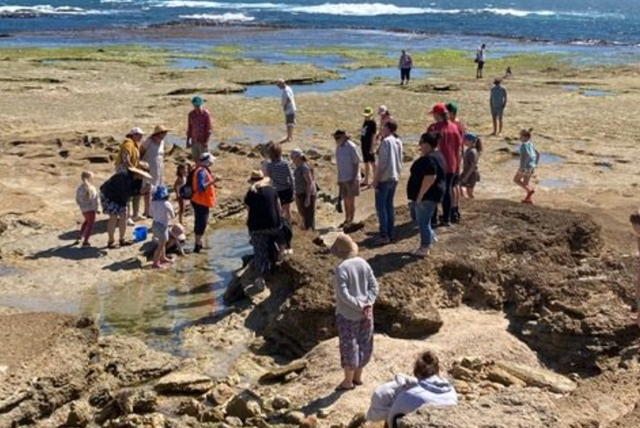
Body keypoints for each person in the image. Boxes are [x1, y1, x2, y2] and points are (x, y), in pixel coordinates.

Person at [330, 233, 378, 391]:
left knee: (349, 346)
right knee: (365, 343)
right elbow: (374, 286)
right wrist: (368, 303)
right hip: (367, 313)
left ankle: (348, 381)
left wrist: (359, 305)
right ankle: (358, 378)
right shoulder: (363, 263)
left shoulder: (341, 269)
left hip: (347, 315)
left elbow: (343, 296)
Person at [369, 350, 458, 428]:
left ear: (416, 372)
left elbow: (392, 418)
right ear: (438, 370)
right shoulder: (451, 391)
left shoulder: (409, 395)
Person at [406, 133, 446, 257]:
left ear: (427, 144)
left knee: (422, 221)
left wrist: (420, 196)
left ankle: (424, 247)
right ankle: (430, 236)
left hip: (427, 196)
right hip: (434, 194)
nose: (419, 145)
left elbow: (430, 177)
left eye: (421, 142)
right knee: (425, 219)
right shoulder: (437, 155)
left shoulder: (429, 159)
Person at [244, 170, 282, 296]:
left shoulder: (250, 193)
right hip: (274, 225)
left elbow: (249, 212)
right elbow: (279, 209)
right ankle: (281, 253)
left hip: (257, 227)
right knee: (277, 236)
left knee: (259, 252)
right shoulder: (272, 190)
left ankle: (261, 279)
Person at [427, 103, 462, 226]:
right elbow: (458, 148)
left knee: (434, 191)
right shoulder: (454, 127)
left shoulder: (433, 128)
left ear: (437, 115)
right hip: (451, 164)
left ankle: (433, 219)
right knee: (447, 190)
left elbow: (428, 147)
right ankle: (447, 218)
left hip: (437, 163)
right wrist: (458, 164)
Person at [100, 165, 152, 249]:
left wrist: (142, 191)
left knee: (124, 216)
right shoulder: (124, 176)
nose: (142, 176)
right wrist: (141, 191)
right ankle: (111, 241)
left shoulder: (138, 179)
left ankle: (122, 239)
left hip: (121, 197)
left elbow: (133, 192)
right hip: (109, 195)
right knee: (113, 217)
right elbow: (128, 192)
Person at [372, 120, 403, 244]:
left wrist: (375, 180)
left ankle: (384, 235)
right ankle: (390, 233)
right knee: (389, 206)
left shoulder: (386, 142)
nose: (381, 129)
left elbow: (382, 164)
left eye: (383, 127)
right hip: (394, 177)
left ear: (387, 128)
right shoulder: (398, 141)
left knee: (381, 207)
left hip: (385, 178)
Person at [114, 127, 145, 223]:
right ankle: (126, 217)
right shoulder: (127, 144)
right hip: (125, 173)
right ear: (133, 135)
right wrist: (134, 169)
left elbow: (135, 159)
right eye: (139, 135)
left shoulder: (135, 145)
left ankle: (135, 214)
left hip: (133, 172)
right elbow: (125, 160)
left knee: (136, 193)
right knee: (126, 195)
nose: (141, 137)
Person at [191, 152, 217, 253]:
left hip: (199, 200)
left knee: (200, 222)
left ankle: (199, 243)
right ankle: (197, 245)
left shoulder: (202, 170)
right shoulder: (201, 171)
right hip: (200, 201)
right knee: (201, 223)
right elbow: (201, 188)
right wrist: (213, 182)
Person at [334, 130, 361, 227]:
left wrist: (354, 179)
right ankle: (347, 218)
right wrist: (339, 178)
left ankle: (351, 220)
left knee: (351, 200)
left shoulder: (351, 147)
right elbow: (339, 164)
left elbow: (356, 163)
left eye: (338, 138)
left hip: (351, 178)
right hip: (343, 178)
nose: (336, 140)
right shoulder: (338, 147)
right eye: (335, 138)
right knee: (345, 200)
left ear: (344, 137)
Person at [141, 125, 168, 217]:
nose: (164, 135)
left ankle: (153, 209)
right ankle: (147, 210)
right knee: (148, 188)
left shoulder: (162, 142)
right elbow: (141, 152)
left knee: (157, 188)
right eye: (163, 133)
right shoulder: (149, 141)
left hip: (159, 167)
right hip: (149, 166)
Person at [445, 102, 465, 223]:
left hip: (453, 157)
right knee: (455, 184)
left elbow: (458, 145)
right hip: (457, 157)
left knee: (452, 185)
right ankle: (455, 209)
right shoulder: (459, 124)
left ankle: (453, 210)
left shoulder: (454, 125)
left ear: (451, 113)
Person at [265, 142, 294, 220]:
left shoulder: (269, 165)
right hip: (287, 189)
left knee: (278, 210)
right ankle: (289, 226)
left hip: (276, 190)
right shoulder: (285, 164)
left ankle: (280, 226)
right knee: (287, 210)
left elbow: (267, 178)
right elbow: (291, 177)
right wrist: (293, 189)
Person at [291, 149, 317, 231]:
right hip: (300, 194)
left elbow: (309, 183)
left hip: (306, 194)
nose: (292, 160)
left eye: (293, 158)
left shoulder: (304, 167)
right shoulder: (299, 167)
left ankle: (311, 235)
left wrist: (308, 198)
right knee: (303, 216)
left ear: (298, 157)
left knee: (308, 217)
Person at [150, 185, 175, 269]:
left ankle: (163, 258)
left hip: (155, 224)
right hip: (162, 226)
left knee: (162, 242)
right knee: (160, 246)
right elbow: (172, 215)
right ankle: (155, 263)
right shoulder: (166, 203)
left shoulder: (153, 203)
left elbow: (150, 213)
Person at [514, 129, 539, 204]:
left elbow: (527, 155)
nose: (520, 137)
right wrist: (535, 164)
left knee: (516, 180)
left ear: (526, 137)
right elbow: (538, 154)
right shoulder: (531, 144)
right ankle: (528, 199)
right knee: (526, 183)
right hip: (532, 166)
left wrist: (522, 167)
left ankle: (530, 190)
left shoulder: (523, 145)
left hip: (525, 166)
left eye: (521, 136)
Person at [75, 170, 99, 248]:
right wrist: (96, 208)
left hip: (83, 209)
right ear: (90, 178)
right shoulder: (92, 188)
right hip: (91, 209)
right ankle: (86, 242)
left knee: (86, 221)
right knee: (90, 225)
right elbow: (95, 200)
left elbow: (77, 199)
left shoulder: (79, 188)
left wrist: (81, 205)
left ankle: (80, 235)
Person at [186, 96, 213, 164]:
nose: (197, 107)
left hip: (202, 141)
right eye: (195, 105)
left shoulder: (206, 114)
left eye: (198, 105)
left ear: (201, 104)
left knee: (204, 161)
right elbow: (190, 128)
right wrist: (188, 140)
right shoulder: (191, 114)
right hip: (194, 140)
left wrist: (206, 142)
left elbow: (209, 130)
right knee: (196, 160)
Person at [460, 133, 483, 199]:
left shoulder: (472, 152)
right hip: (466, 172)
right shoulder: (468, 150)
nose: (463, 141)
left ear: (470, 141)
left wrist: (466, 177)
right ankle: (464, 199)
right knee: (459, 185)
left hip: (471, 174)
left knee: (469, 192)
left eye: (464, 140)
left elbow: (473, 166)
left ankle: (473, 203)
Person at [361, 107, 377, 186]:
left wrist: (372, 147)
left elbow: (373, 135)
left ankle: (375, 179)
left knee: (373, 163)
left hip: (369, 145)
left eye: (368, 116)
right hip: (364, 145)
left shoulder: (373, 123)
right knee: (366, 162)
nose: (366, 117)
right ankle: (366, 179)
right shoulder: (365, 122)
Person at [277, 79, 297, 144]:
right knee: (289, 123)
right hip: (290, 109)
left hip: (289, 109)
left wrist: (285, 106)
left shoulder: (286, 90)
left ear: (282, 84)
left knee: (289, 124)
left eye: (279, 85)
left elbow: (288, 99)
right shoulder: (288, 88)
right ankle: (289, 136)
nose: (278, 87)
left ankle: (289, 137)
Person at [629, 210, 640, 328]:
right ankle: (638, 316)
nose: (633, 228)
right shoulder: (638, 236)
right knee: (638, 293)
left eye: (634, 226)